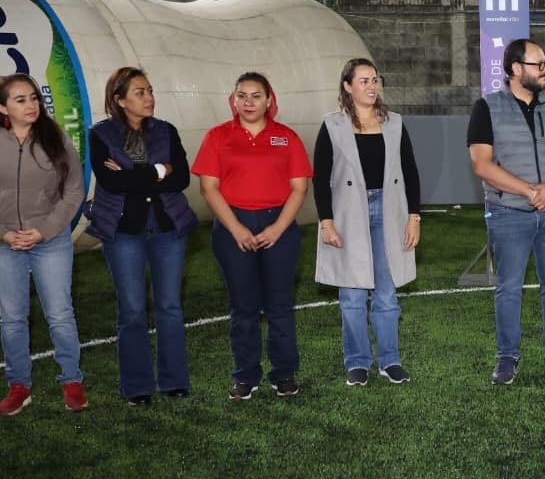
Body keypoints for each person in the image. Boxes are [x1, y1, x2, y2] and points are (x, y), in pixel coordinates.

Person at [467, 39, 545, 385]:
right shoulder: (487, 108)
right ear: (516, 69)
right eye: (538, 64)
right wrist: (531, 191)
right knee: (509, 289)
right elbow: (482, 165)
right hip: (507, 213)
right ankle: (507, 358)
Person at [193, 72, 312, 399]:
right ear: (233, 100)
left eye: (256, 96)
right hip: (233, 226)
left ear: (269, 100)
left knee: (280, 306)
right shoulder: (218, 137)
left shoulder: (286, 138)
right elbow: (208, 187)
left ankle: (284, 374)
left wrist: (278, 227)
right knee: (243, 307)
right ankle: (245, 375)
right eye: (242, 96)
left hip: (280, 226)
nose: (248, 102)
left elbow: (299, 188)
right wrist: (236, 228)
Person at [86, 67, 198, 407]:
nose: (149, 98)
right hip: (123, 233)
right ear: (119, 100)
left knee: (170, 306)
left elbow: (181, 179)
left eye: (150, 90)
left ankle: (174, 381)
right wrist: (158, 171)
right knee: (132, 310)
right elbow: (112, 183)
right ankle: (136, 387)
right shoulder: (101, 134)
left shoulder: (166, 130)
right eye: (139, 92)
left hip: (168, 230)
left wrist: (139, 174)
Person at [314, 58, 421, 387]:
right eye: (363, 81)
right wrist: (326, 221)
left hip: (390, 213)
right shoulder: (332, 126)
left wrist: (414, 216)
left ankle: (390, 361)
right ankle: (357, 362)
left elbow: (410, 171)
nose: (372, 86)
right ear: (347, 86)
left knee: (387, 294)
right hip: (349, 216)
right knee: (352, 296)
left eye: (374, 79)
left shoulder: (394, 123)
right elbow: (320, 177)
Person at [0, 74, 87, 416]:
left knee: (60, 314)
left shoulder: (57, 138)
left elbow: (73, 191)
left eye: (34, 98)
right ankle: (19, 385)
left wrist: (45, 230)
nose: (31, 105)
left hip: (50, 241)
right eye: (20, 100)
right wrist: (4, 233)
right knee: (10, 318)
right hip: (6, 243)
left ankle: (72, 381)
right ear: (3, 107)